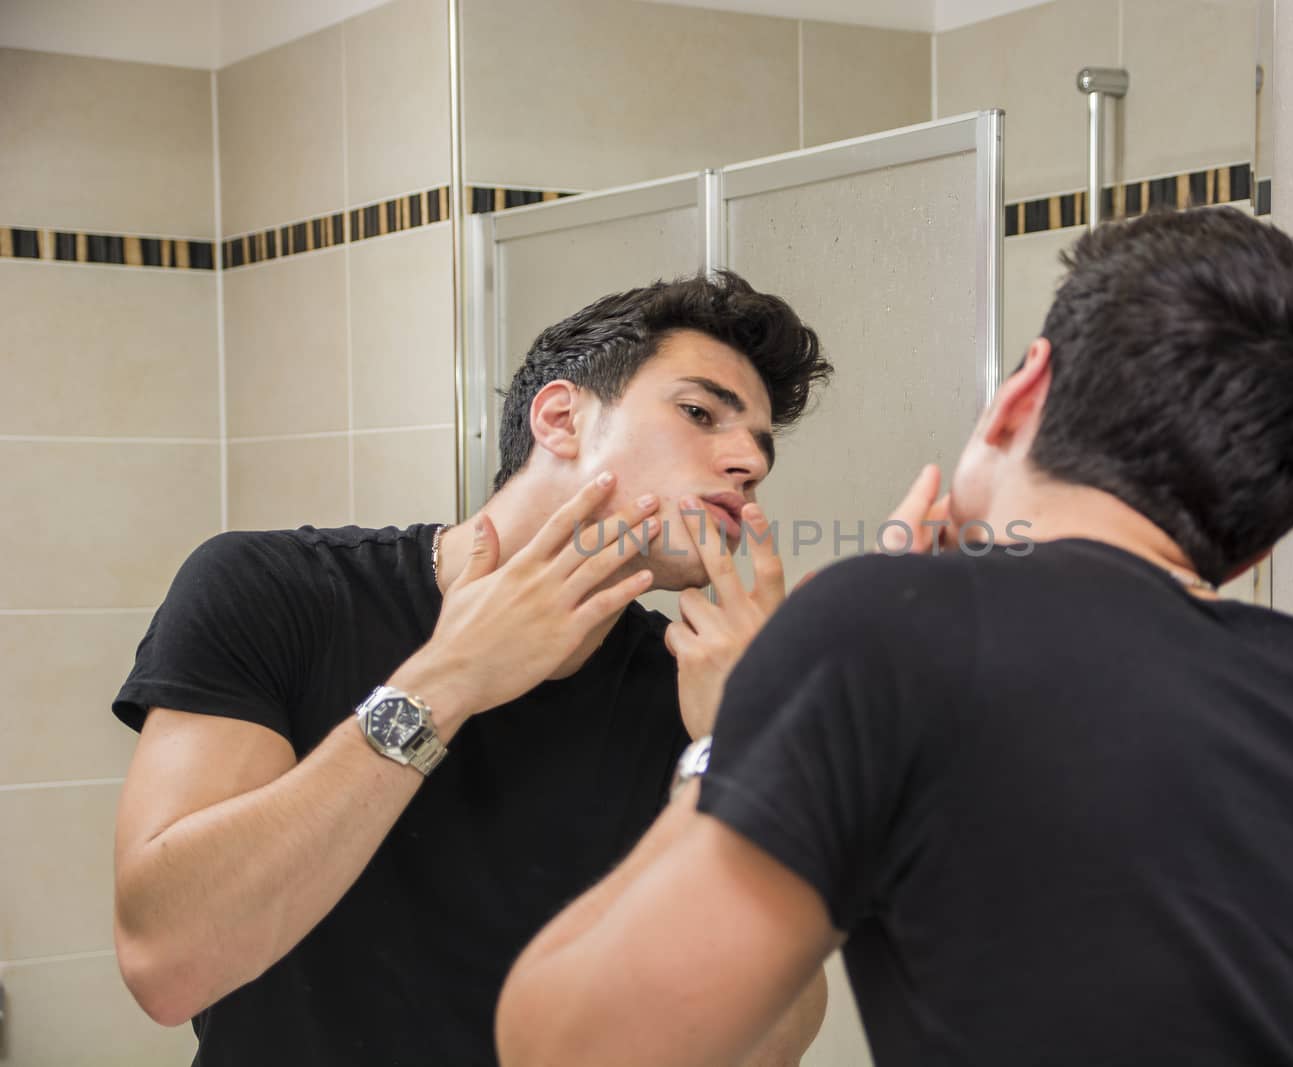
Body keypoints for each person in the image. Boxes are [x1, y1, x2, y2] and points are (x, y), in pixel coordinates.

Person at [493, 208, 1293, 1067]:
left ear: (1022, 392)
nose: (745, 465)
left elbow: (571, 1045)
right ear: (1244, 548)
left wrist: (735, 731)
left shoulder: (887, 631)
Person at [110, 272, 834, 1066]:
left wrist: (737, 753)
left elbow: (763, 1050)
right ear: (560, 417)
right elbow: (166, 965)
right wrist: (446, 681)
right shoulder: (276, 591)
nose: (746, 462)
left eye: (761, 452)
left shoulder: (690, 692)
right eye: (699, 413)